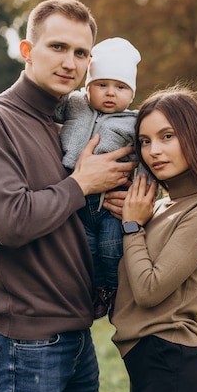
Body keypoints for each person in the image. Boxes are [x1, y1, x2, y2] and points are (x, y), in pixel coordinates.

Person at [0, 0, 136, 392]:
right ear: (26, 51)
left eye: (80, 53)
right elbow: (12, 223)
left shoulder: (70, 123)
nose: (69, 62)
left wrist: (119, 202)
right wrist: (82, 183)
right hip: (27, 341)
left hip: (78, 334)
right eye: (57, 47)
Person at [110, 85, 197, 392]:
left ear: (193, 137)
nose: (154, 150)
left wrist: (131, 227)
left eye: (166, 136)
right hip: (146, 365)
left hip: (171, 367)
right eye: (145, 141)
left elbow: (149, 290)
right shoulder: (158, 207)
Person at [55, 37, 145, 319]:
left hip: (111, 200)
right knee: (86, 250)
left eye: (120, 87)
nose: (110, 93)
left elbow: (145, 160)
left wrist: (145, 193)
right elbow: (46, 105)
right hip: (76, 195)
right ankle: (95, 293)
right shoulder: (74, 105)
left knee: (111, 250)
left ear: (131, 94)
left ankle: (116, 293)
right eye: (101, 85)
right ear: (87, 87)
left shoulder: (133, 122)